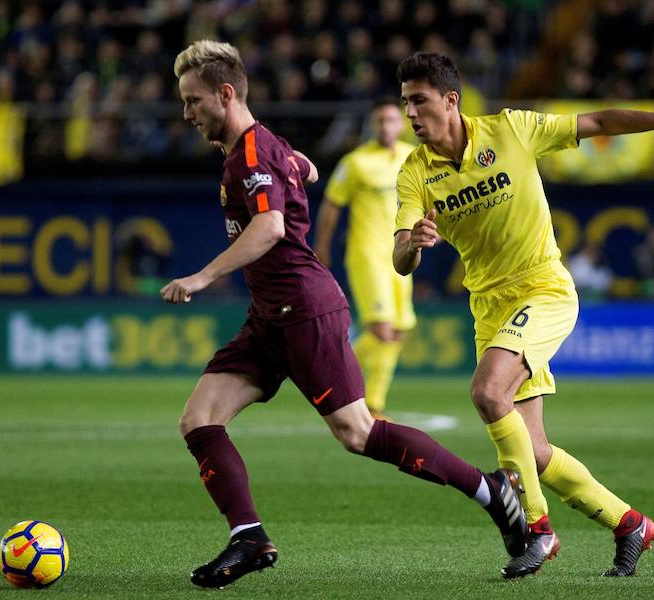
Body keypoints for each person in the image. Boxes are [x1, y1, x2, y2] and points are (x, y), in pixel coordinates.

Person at [161, 40, 528, 589]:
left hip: (303, 309)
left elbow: (270, 228)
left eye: (193, 101)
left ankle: (492, 491)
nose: (186, 114)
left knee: (358, 433)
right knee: (199, 419)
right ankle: (249, 536)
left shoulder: (254, 153)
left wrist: (201, 276)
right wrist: (298, 166)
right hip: (269, 315)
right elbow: (304, 169)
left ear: (226, 93)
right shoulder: (262, 147)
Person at [392, 51, 654, 579]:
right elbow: (401, 260)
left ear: (450, 100)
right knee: (536, 451)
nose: (410, 112)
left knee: (487, 393)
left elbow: (596, 121)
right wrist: (414, 244)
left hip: (544, 290)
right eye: (405, 101)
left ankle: (537, 532)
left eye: (419, 100)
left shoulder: (513, 131)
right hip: (490, 309)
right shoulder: (414, 174)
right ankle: (631, 524)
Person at [313, 98, 417, 419]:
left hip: (401, 254)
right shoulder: (355, 162)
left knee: (397, 332)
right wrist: (323, 246)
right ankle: (333, 379)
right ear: (372, 125)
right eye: (379, 121)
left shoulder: (412, 157)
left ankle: (373, 404)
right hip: (367, 254)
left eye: (391, 120)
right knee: (381, 331)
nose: (385, 126)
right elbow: (332, 204)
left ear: (401, 124)